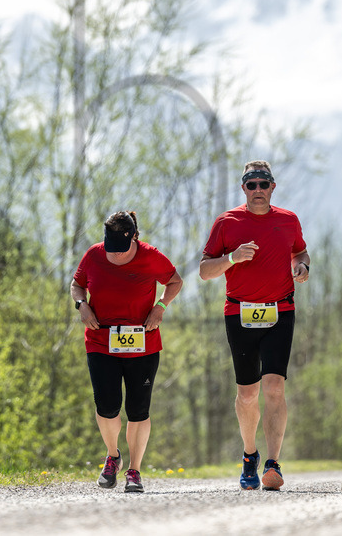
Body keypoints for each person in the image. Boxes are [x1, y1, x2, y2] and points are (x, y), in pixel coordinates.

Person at [199, 160, 309, 491]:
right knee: (248, 393)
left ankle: (274, 463)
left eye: (264, 184)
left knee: (275, 386)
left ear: (273, 187)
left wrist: (302, 268)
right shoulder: (227, 223)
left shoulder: (288, 220)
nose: (258, 190)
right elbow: (205, 271)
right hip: (240, 313)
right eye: (251, 184)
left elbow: (300, 253)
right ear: (243, 188)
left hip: (280, 311)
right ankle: (250, 455)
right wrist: (232, 258)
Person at [71, 210, 183, 493]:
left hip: (143, 342)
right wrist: (81, 305)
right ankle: (113, 456)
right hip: (100, 341)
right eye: (112, 249)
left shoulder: (151, 256)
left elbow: (175, 281)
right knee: (107, 407)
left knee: (138, 410)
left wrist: (160, 307)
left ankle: (135, 470)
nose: (116, 255)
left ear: (134, 237)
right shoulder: (94, 255)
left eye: (122, 250)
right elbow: (76, 285)